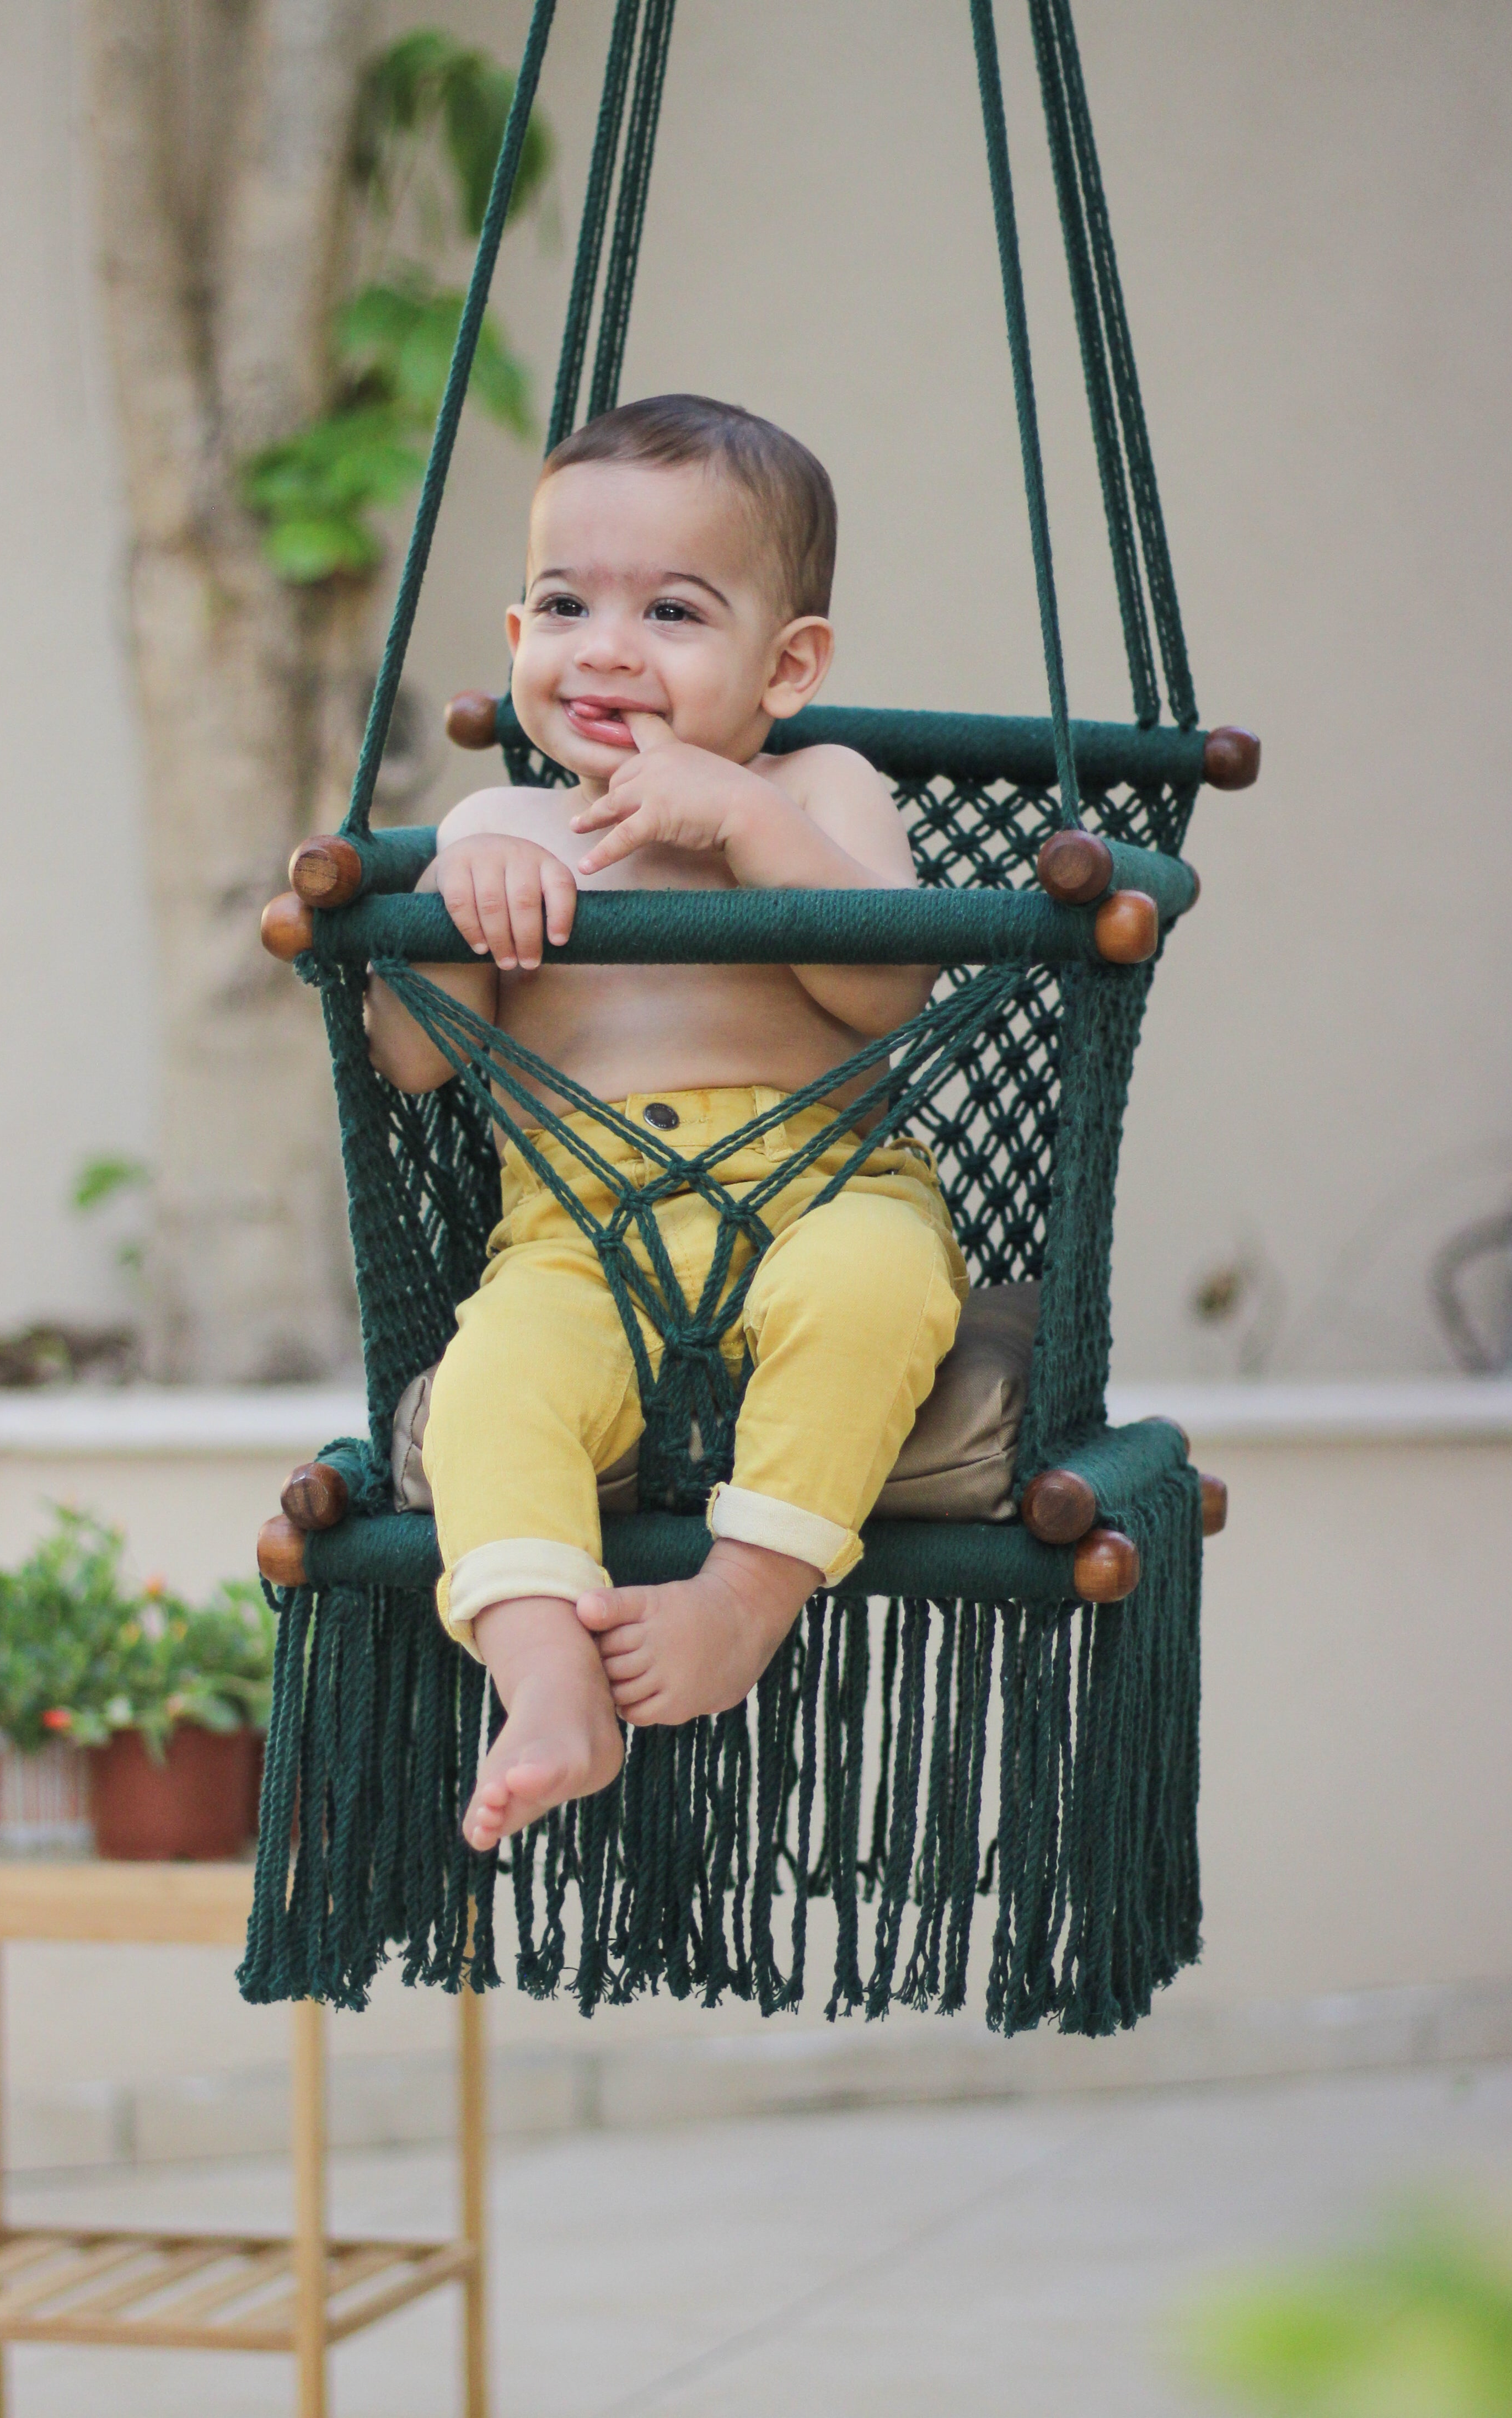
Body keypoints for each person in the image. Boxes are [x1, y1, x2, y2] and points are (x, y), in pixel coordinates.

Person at [364, 394, 967, 1852]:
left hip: (821, 1195)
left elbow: (889, 983)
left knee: (873, 1290)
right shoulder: (493, 831)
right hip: (577, 1244)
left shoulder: (817, 789)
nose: (610, 646)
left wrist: (739, 820)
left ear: (787, 666)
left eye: (674, 611)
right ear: (518, 643)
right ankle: (546, 1680)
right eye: (568, 603)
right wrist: (450, 929)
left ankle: (743, 1600)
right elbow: (409, 1064)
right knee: (491, 1385)